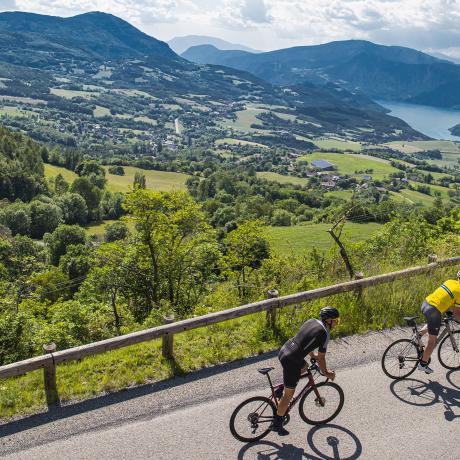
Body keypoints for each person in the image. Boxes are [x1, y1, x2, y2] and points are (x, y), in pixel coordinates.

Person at [271, 306, 339, 434]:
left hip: (285, 349)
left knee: (304, 366)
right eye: (335, 320)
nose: (336, 323)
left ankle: (280, 389)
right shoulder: (325, 333)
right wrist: (327, 373)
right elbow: (321, 358)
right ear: (329, 320)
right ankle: (277, 423)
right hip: (292, 359)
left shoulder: (311, 321)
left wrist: (312, 355)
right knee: (288, 395)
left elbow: (305, 340)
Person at [418, 271, 460, 374]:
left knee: (434, 322)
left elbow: (446, 298)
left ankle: (418, 335)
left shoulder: (450, 281)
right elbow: (457, 314)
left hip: (426, 303)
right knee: (432, 340)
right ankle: (423, 363)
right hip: (434, 311)